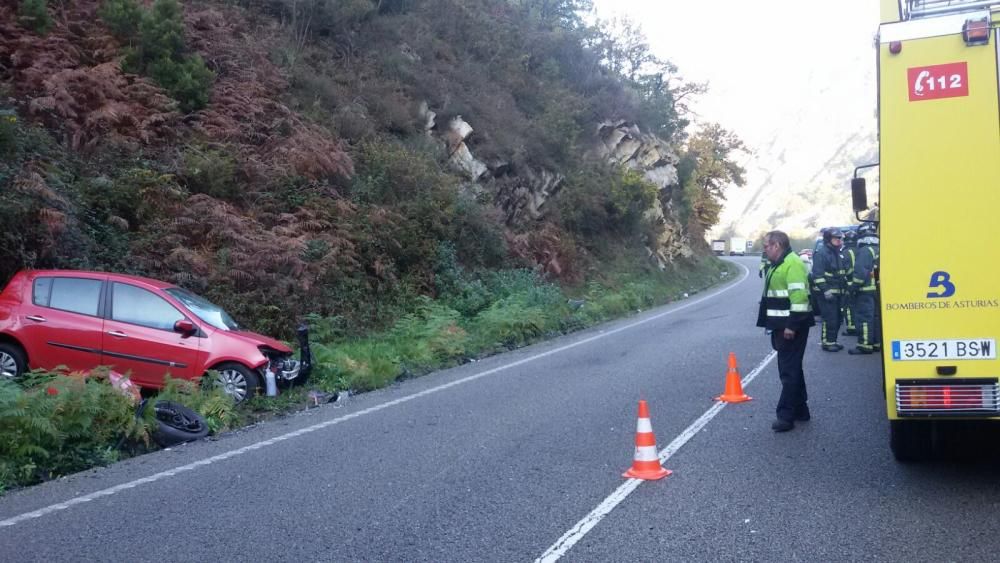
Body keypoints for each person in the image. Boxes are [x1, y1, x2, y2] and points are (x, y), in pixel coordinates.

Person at [757, 230, 815, 432]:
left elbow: (799, 298)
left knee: (788, 372)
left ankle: (785, 416)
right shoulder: (780, 263)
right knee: (793, 368)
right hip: (781, 325)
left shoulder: (792, 264)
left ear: (777, 245)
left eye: (766, 246)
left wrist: (792, 325)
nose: (764, 249)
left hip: (791, 326)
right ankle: (801, 410)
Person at [811, 227, 848, 351]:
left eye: (840, 238)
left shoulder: (837, 252)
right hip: (826, 294)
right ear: (828, 239)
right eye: (836, 238)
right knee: (830, 318)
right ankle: (827, 343)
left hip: (838, 293)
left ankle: (833, 341)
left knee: (837, 319)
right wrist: (825, 290)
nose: (840, 240)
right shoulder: (821, 253)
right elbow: (817, 275)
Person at [848, 223, 881, 354]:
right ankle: (876, 343)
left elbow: (860, 274)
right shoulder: (878, 248)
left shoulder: (865, 251)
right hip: (877, 290)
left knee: (865, 318)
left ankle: (865, 345)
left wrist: (853, 288)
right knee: (875, 318)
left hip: (865, 291)